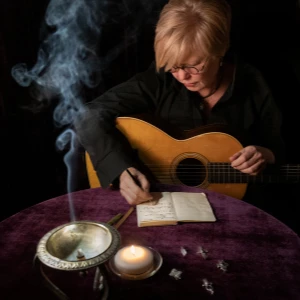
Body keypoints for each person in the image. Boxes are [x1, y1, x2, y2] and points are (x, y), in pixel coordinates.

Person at [75, 0, 285, 207]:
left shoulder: (259, 85)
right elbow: (88, 117)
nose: (183, 76)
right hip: (162, 205)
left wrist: (266, 154)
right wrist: (121, 170)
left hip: (239, 207)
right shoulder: (160, 80)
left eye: (194, 66)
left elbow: (284, 146)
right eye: (174, 66)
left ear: (221, 50)